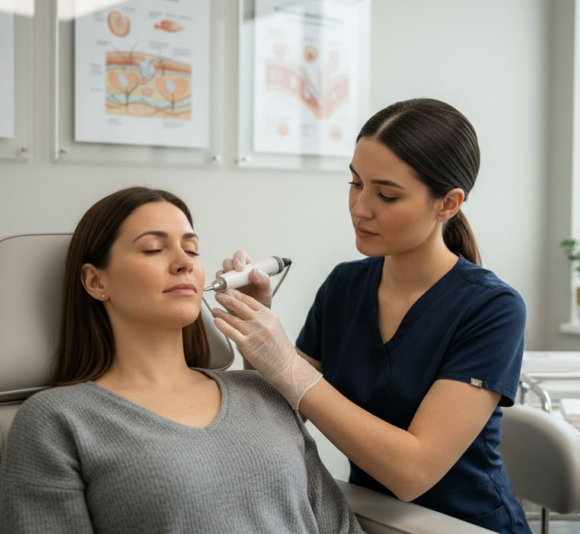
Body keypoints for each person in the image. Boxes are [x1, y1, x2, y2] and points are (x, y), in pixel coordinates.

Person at [212, 99, 530, 533]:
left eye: (386, 194)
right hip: (371, 520)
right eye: (355, 183)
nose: (360, 207)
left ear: (448, 204)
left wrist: (288, 365)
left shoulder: (492, 309)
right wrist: (258, 324)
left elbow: (412, 472)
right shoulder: (345, 286)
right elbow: (281, 413)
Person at [0, 187, 364, 534]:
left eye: (192, 249)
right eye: (154, 249)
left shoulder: (260, 392)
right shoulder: (58, 419)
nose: (184, 263)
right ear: (95, 281)